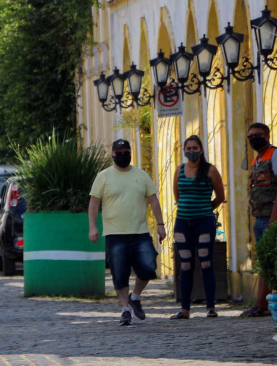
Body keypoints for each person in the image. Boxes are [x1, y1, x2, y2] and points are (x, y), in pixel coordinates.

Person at [88, 139, 167, 326]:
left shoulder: (141, 175)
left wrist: (160, 224)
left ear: (131, 153)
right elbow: (94, 203)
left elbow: (153, 200)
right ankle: (124, 309)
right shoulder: (104, 176)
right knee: (120, 273)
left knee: (148, 267)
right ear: (113, 154)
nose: (122, 154)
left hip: (140, 232)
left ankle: (135, 296)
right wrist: (93, 227)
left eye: (126, 151)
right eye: (119, 151)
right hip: (115, 233)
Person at [241, 122, 277, 317]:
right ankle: (262, 303)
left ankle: (261, 304)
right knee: (264, 261)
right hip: (260, 217)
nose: (254, 138)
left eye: (258, 134)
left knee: (270, 261)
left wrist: (275, 213)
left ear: (267, 135)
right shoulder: (256, 161)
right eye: (251, 136)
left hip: (275, 216)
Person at [169, 135, 225, 319]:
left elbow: (220, 196)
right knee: (185, 265)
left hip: (204, 223)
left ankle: (211, 307)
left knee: (206, 263)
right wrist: (188, 208)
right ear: (184, 150)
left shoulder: (210, 170)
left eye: (195, 148)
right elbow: (177, 195)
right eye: (188, 148)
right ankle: (185, 309)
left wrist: (205, 210)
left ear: (201, 150)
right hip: (182, 223)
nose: (191, 151)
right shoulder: (179, 170)